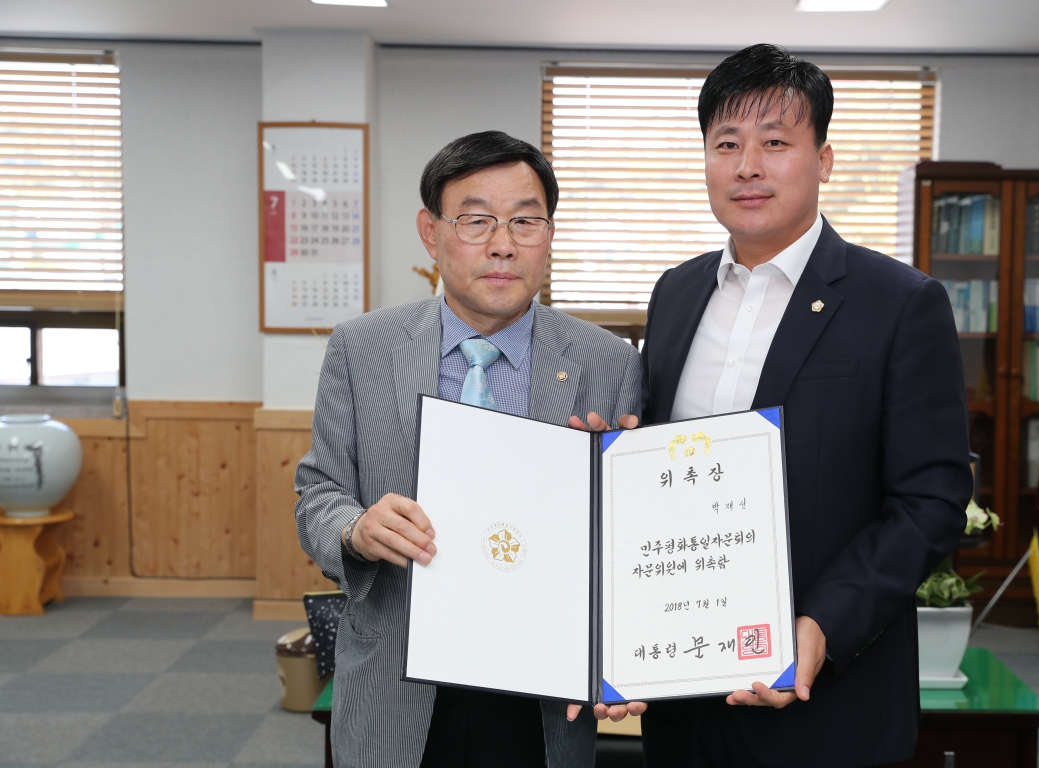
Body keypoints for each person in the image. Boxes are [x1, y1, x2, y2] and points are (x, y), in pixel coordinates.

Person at [637, 44, 973, 767]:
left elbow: (932, 501)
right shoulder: (676, 293)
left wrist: (824, 622)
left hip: (826, 707)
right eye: (727, 144)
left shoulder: (900, 304)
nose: (747, 167)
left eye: (775, 143)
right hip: (681, 697)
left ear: (823, 160)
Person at [294, 130, 642, 768]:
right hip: (397, 680)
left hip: (540, 692)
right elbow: (318, 494)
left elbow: (629, 540)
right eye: (476, 220)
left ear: (549, 233)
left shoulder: (606, 362)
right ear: (430, 233)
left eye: (525, 221)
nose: (503, 244)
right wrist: (355, 528)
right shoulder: (360, 347)